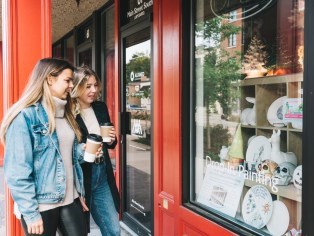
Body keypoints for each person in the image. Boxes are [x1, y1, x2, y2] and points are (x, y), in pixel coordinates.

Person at [0, 58, 89, 236]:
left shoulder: (66, 114)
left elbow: (64, 157)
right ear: (49, 79)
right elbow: (17, 172)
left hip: (70, 199)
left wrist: (82, 151)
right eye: (68, 80)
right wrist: (31, 214)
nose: (72, 85)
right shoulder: (25, 117)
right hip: (41, 204)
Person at [71, 65, 120, 235]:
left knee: (113, 229)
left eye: (95, 85)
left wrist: (112, 139)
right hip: (82, 176)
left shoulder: (100, 107)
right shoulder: (68, 112)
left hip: (102, 174)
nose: (93, 90)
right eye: (87, 86)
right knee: (81, 230)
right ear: (77, 87)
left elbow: (108, 142)